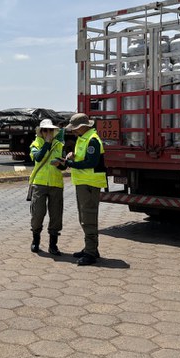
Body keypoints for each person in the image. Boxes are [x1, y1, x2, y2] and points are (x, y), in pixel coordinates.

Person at [59, 113, 107, 266]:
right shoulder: (83, 138)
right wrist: (73, 156)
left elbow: (91, 163)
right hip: (83, 182)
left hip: (90, 183)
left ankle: (91, 253)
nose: (73, 131)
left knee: (88, 218)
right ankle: (91, 248)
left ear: (84, 127)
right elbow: (83, 158)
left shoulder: (92, 140)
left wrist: (69, 164)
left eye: (75, 128)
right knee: (84, 217)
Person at [28, 118, 65, 255]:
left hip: (56, 184)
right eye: (45, 130)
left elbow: (64, 166)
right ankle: (35, 240)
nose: (48, 133)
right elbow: (38, 157)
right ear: (41, 132)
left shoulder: (60, 145)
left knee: (56, 215)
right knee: (37, 214)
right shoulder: (35, 144)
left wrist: (62, 163)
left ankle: (53, 245)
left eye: (50, 130)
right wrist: (47, 144)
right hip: (40, 184)